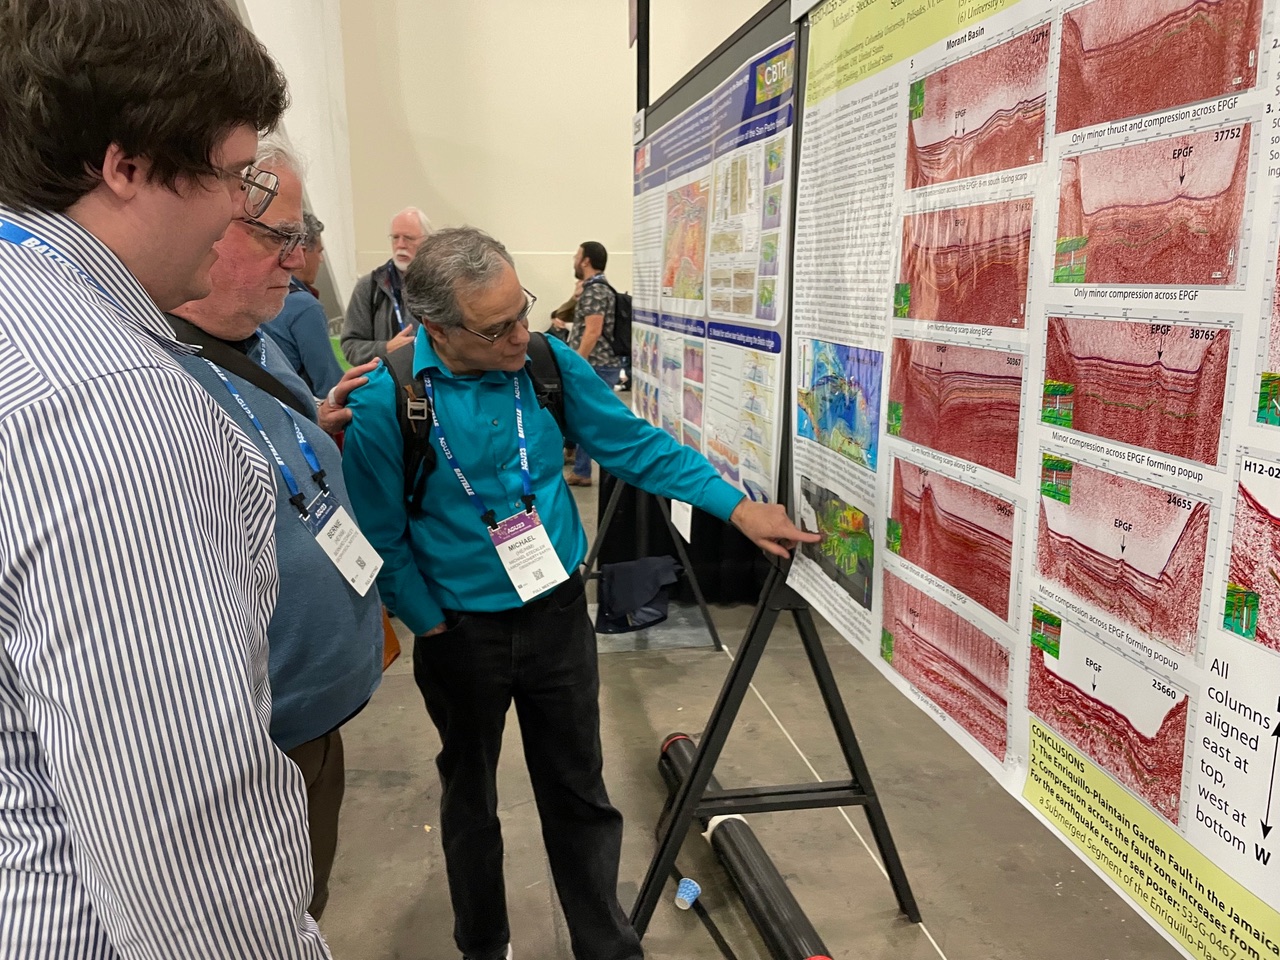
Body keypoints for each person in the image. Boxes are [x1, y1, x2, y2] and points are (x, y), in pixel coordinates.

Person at [341, 227, 818, 960]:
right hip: (459, 632)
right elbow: (380, 533)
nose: (519, 336)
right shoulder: (387, 402)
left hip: (556, 614)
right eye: (496, 328)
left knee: (579, 790)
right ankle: (484, 943)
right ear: (436, 327)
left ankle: (605, 946)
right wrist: (428, 621)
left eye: (521, 313)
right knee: (469, 797)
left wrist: (735, 505)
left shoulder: (543, 364)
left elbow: (634, 444)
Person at [0, 1, 332, 957]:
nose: (243, 209)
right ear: (129, 163)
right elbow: (183, 833)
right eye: (234, 176)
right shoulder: (111, 406)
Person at [169, 138, 385, 921]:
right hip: (250, 750)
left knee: (305, 898)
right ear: (201, 221)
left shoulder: (256, 338)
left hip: (310, 720)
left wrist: (313, 422)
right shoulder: (147, 378)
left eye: (301, 239)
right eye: (277, 238)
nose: (298, 263)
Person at [263, 206, 346, 397]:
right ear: (302, 252)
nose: (321, 260)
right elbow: (330, 385)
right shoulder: (305, 307)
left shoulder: (260, 294)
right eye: (319, 251)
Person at [341, 205, 432, 365]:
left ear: (427, 241)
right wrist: (386, 348)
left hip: (435, 380)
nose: (400, 245)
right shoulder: (369, 287)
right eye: (395, 237)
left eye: (408, 238)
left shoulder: (442, 285)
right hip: (387, 382)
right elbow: (350, 347)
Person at [567, 240, 623, 486]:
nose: (574, 260)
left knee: (588, 420)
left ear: (586, 260)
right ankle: (578, 464)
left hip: (596, 365)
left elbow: (592, 331)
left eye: (577, 255)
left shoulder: (596, 291)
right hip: (599, 363)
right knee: (585, 417)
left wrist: (576, 364)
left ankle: (583, 471)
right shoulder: (594, 289)